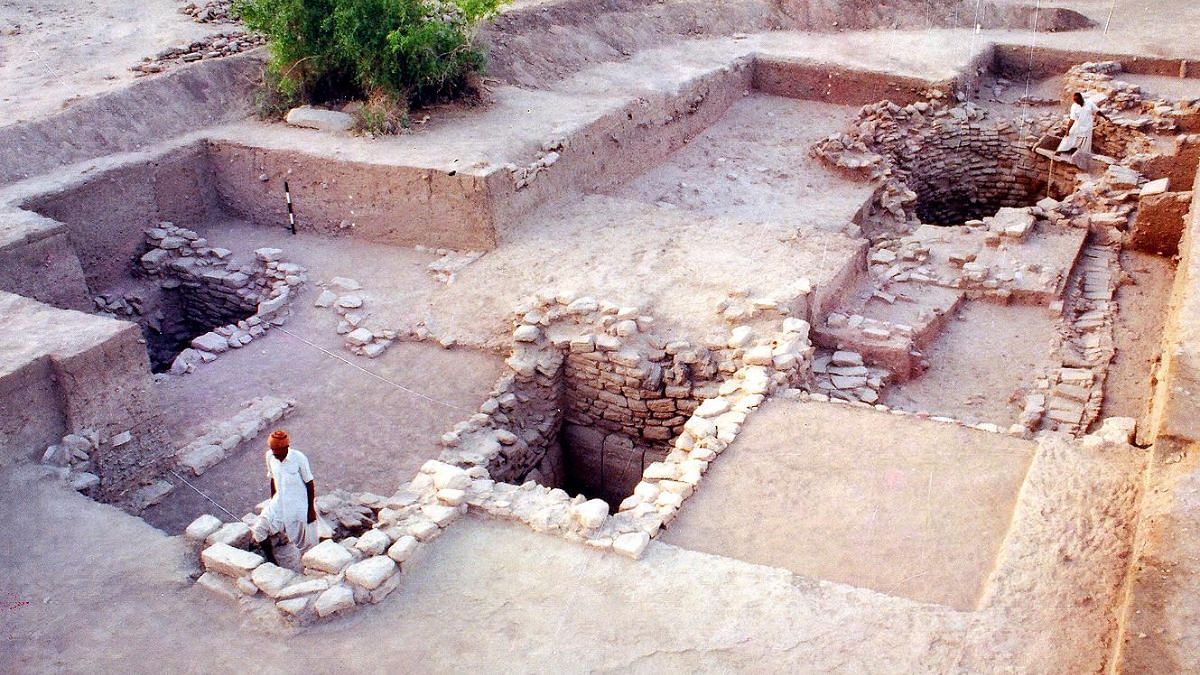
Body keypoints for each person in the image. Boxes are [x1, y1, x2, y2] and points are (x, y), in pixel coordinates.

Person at [250, 430, 317, 570]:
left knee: (307, 543)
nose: (275, 454)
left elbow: (309, 483)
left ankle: (309, 569)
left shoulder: (299, 458)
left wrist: (310, 509)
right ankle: (272, 562)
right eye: (272, 450)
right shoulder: (270, 456)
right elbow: (272, 478)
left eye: (277, 451)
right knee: (259, 529)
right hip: (279, 502)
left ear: (286, 448)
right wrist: (271, 501)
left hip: (299, 504)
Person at [1056, 91, 1109, 169]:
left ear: (1081, 98)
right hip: (1077, 126)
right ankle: (1061, 151)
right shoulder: (1074, 106)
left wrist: (1105, 117)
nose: (1076, 102)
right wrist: (1068, 129)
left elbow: (1097, 111)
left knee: (1084, 144)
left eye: (1077, 100)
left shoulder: (1089, 103)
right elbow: (1072, 119)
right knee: (1069, 138)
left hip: (1087, 127)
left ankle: (1081, 160)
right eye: (1075, 100)